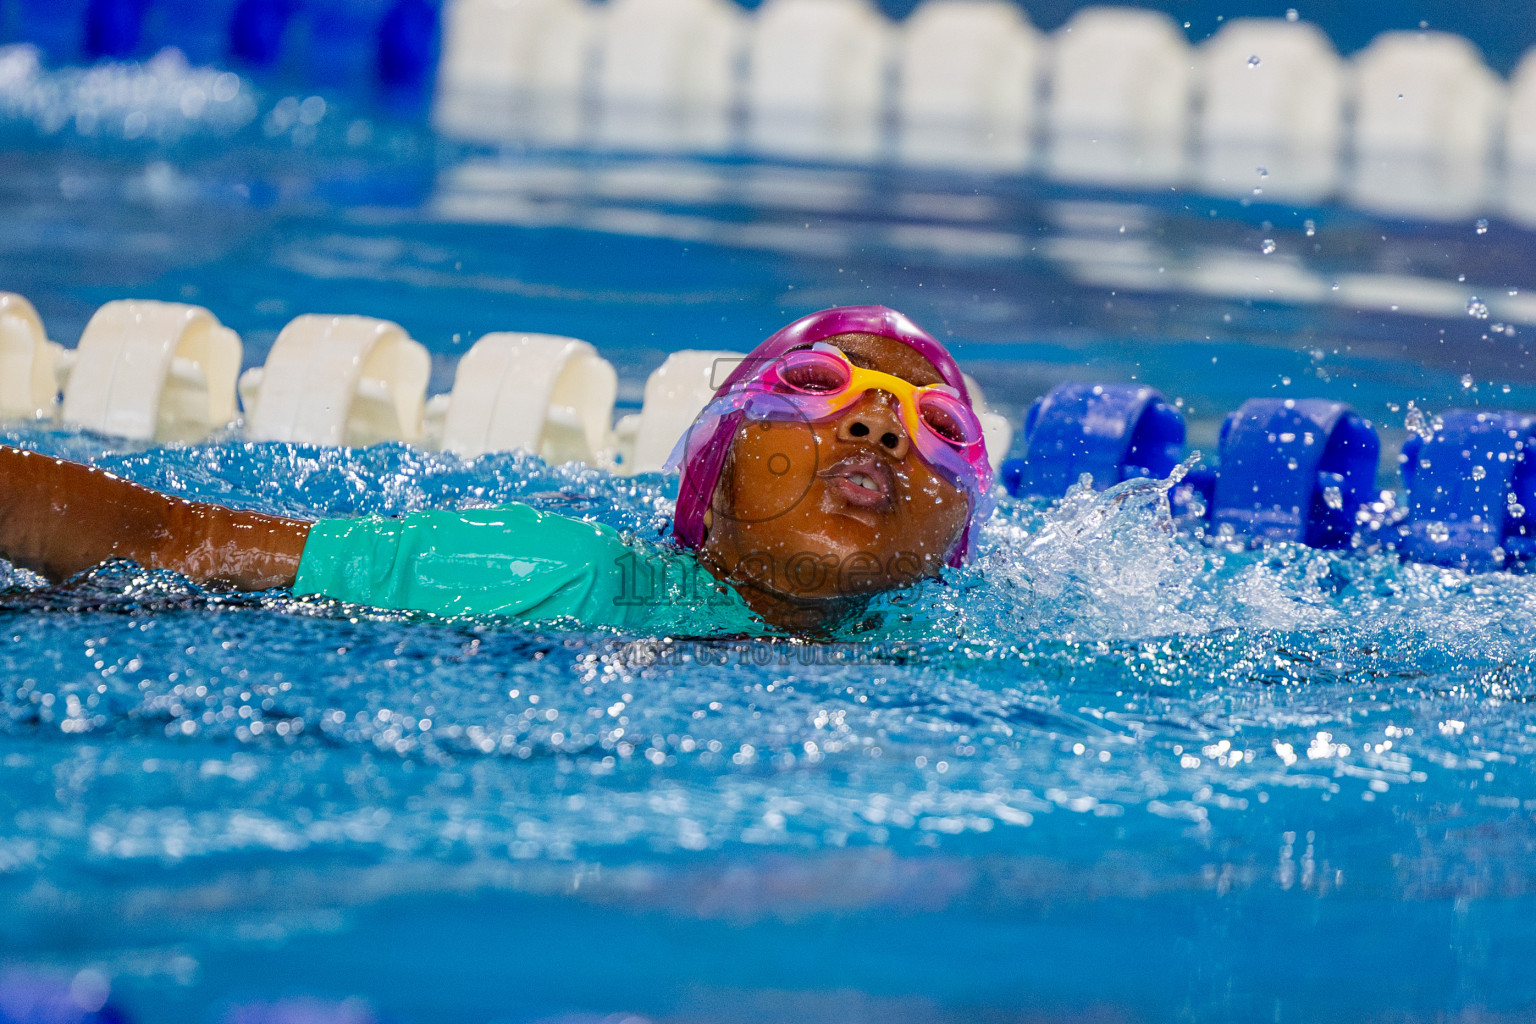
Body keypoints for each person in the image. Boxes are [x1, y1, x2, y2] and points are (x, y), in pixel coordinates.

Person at [0, 306, 992, 633]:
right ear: (712, 468)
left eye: (938, 423)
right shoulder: (561, 570)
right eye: (818, 385)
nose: (879, 428)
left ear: (958, 534)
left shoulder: (947, 668)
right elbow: (182, 543)